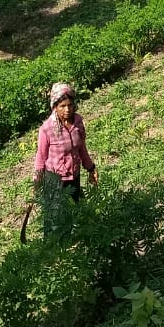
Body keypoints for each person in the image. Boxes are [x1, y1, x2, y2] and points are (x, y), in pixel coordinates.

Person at [33, 82, 97, 235]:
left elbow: (81, 148)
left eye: (69, 105)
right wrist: (37, 182)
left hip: (73, 176)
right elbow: (41, 157)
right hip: (55, 179)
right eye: (62, 106)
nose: (67, 109)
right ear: (55, 106)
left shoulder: (78, 122)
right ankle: (52, 247)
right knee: (55, 216)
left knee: (72, 211)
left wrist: (91, 168)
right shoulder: (47, 129)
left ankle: (69, 244)